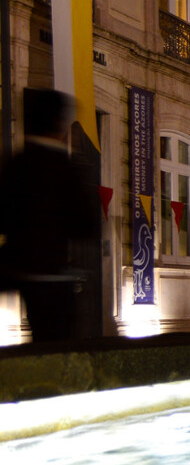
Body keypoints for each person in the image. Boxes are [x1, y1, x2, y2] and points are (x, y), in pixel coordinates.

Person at [0, 89, 99, 343]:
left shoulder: (16, 164)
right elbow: (86, 224)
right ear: (59, 124)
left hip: (25, 275)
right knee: (59, 346)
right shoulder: (64, 168)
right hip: (56, 277)